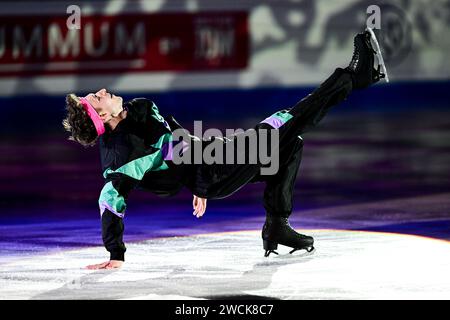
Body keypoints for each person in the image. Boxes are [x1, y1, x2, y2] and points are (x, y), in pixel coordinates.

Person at [62, 28, 387, 269]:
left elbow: (173, 136)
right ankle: (356, 76)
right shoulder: (122, 157)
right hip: (214, 169)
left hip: (210, 155)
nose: (102, 91)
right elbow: (110, 199)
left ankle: (276, 226)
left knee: (288, 145)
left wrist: (189, 170)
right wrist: (115, 253)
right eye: (96, 97)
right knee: (283, 122)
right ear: (101, 115)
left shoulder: (140, 108)